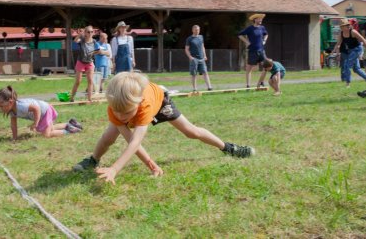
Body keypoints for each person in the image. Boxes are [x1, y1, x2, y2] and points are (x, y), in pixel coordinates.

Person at [73, 72, 255, 184]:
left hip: (160, 101)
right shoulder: (117, 107)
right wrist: (152, 166)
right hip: (138, 104)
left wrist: (115, 169)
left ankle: (229, 147)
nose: (120, 116)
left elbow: (135, 142)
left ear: (137, 105)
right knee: (108, 137)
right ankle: (93, 159)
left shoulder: (143, 107)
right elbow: (128, 138)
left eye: (125, 113)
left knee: (191, 132)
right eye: (116, 112)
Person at [0, 85, 83, 140]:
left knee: (46, 135)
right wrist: (14, 138)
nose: (0, 109)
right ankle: (69, 124)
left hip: (44, 111)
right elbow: (14, 125)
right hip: (42, 112)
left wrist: (35, 123)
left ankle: (70, 130)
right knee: (50, 128)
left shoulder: (21, 106)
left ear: (10, 102)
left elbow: (36, 109)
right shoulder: (11, 111)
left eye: (1, 106)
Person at [332, 19, 366, 88]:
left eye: (343, 26)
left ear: (348, 26)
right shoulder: (341, 33)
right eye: (341, 26)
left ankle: (347, 83)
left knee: (347, 65)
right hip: (350, 51)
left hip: (357, 49)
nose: (341, 28)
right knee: (356, 69)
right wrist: (334, 50)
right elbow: (338, 43)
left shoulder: (353, 32)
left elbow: (363, 40)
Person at [69, 25, 100, 102]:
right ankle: (72, 97)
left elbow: (98, 50)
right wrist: (80, 34)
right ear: (85, 33)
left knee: (90, 81)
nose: (90, 33)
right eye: (88, 32)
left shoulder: (94, 41)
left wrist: (93, 53)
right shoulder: (82, 40)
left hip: (89, 62)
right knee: (78, 81)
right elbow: (75, 41)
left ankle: (90, 99)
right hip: (81, 62)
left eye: (91, 32)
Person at [238, 14, 268, 88]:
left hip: (261, 50)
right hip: (252, 51)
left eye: (261, 19)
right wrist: (247, 42)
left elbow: (266, 34)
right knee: (249, 69)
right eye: (259, 19)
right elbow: (240, 35)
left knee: (266, 67)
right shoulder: (250, 28)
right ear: (255, 20)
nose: (261, 20)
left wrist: (264, 40)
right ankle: (248, 85)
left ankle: (261, 82)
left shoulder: (262, 28)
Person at [185, 25, 213, 91]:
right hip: (194, 59)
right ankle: (195, 89)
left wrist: (205, 55)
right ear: (192, 30)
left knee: (205, 72)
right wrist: (190, 57)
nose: (197, 31)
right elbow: (186, 49)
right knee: (194, 74)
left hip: (202, 58)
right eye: (196, 30)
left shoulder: (201, 37)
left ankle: (209, 87)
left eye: (198, 30)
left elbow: (203, 46)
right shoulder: (189, 39)